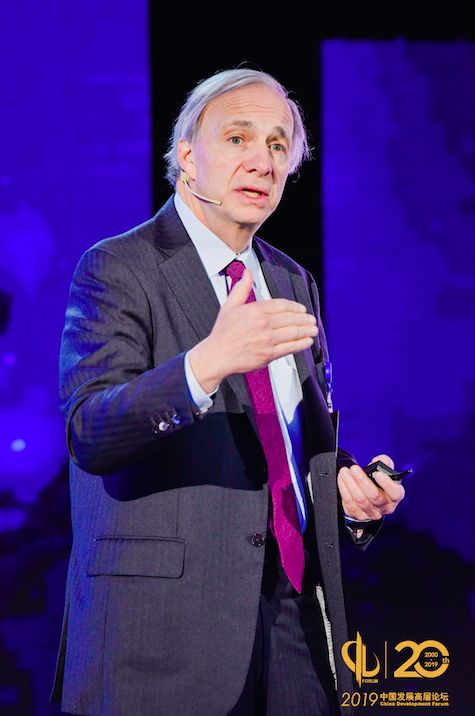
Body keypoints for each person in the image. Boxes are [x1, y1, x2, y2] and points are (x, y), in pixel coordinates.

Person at [50, 68, 404, 716]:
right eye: (237, 138)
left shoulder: (291, 280)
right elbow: (89, 432)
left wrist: (350, 494)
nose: (262, 161)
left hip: (295, 621)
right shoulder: (118, 265)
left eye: (277, 145)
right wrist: (204, 365)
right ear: (187, 156)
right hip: (163, 632)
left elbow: (290, 449)